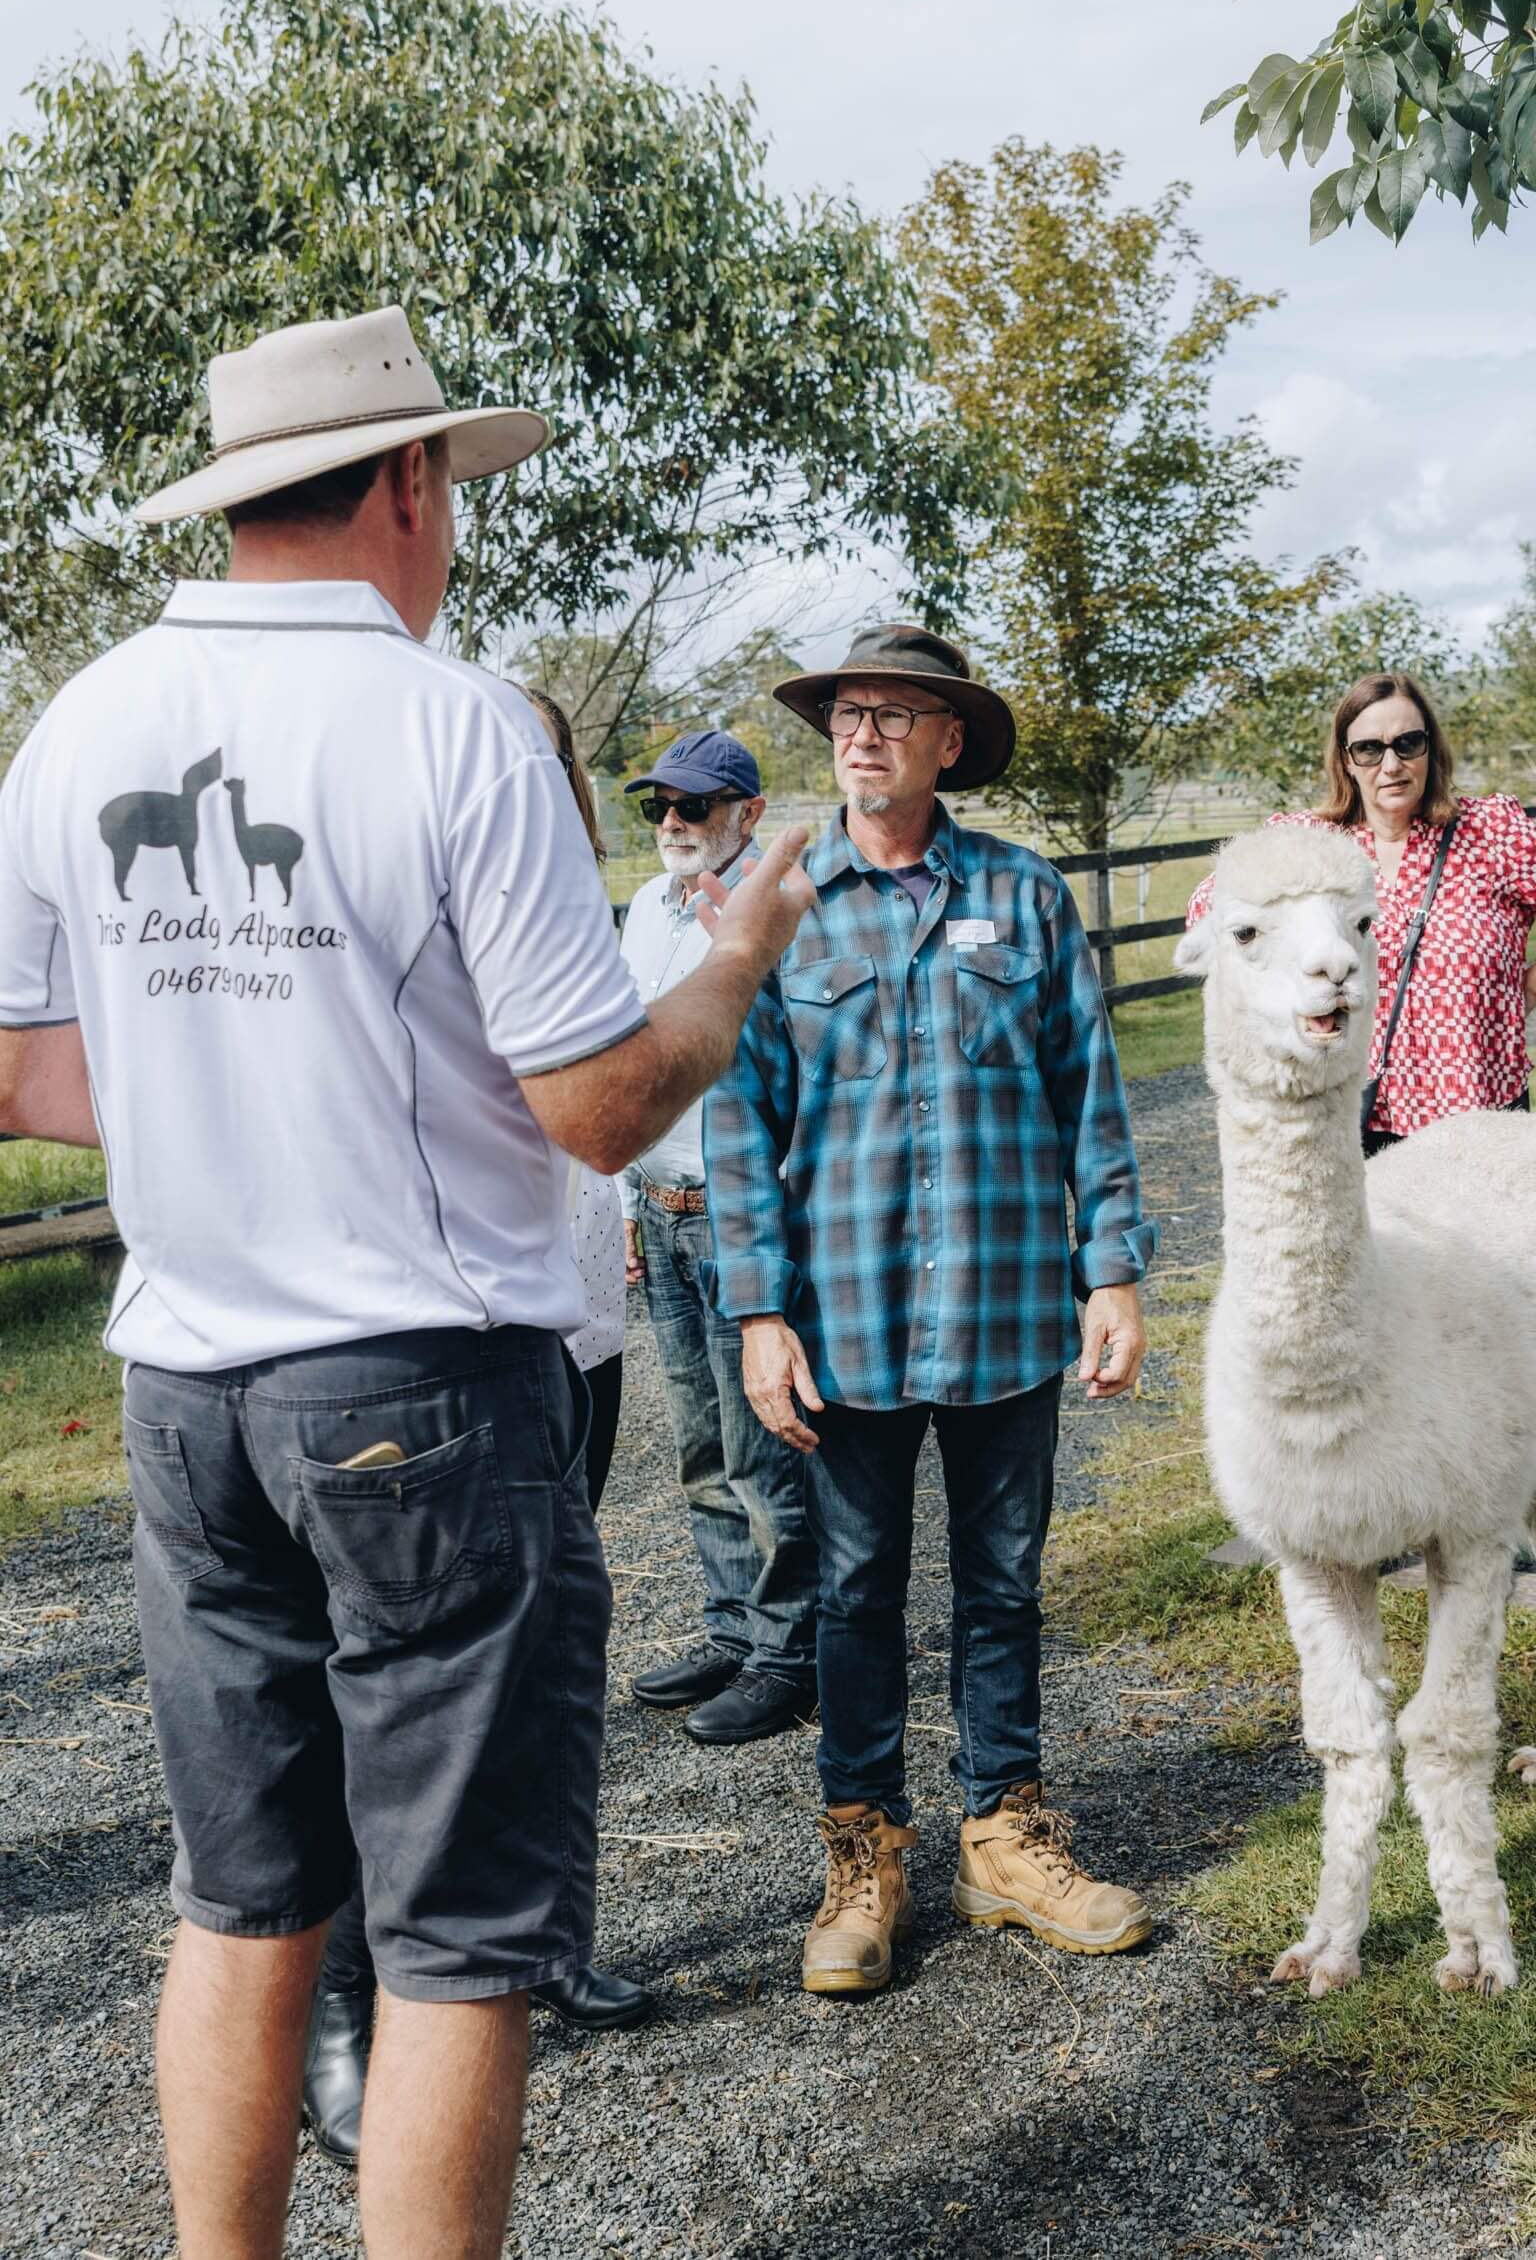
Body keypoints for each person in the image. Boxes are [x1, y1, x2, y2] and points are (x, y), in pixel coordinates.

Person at [0, 305, 815, 2260]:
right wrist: (730, 965)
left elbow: (17, 1065)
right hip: (425, 1397)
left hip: (189, 1395)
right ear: (406, 483)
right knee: (456, 1932)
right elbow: (602, 1108)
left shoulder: (87, 715)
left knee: (243, 1892)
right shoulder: (449, 722)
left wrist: (236, 1108)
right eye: (450, 487)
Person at [704, 622, 1158, 1998]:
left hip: (1010, 1304)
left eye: (897, 713)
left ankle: (1004, 1837)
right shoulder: (772, 900)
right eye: (847, 711)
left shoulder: (1025, 898)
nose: (862, 734)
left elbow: (1092, 1093)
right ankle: (863, 1854)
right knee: (851, 1589)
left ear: (949, 741)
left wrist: (1115, 1268)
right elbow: (737, 1119)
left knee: (1004, 1579)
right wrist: (757, 1312)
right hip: (841, 1322)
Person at [300, 685, 646, 2174]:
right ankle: (347, 1990)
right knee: (371, 1682)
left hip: (572, 1318)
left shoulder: (581, 903)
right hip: (434, 1344)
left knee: (553, 1645)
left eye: (554, 751)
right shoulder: (424, 876)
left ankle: (542, 1932)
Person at [1184, 670, 1536, 1155]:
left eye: (1408, 743)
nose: (1392, 764)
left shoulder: (1490, 836)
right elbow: (1210, 913)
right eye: (1370, 750)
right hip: (1356, 1117)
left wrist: (1525, 992)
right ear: (1346, 760)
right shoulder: (1312, 846)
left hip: (1478, 1119)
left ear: (1430, 749)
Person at [615, 730, 818, 1742]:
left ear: (747, 810)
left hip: (738, 1211)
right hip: (662, 1207)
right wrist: (623, 1205)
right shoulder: (645, 911)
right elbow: (623, 1054)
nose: (673, 824)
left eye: (695, 806)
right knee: (700, 1444)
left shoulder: (784, 910)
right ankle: (732, 1628)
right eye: (660, 806)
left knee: (760, 1450)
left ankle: (790, 1652)